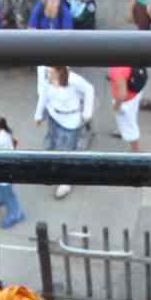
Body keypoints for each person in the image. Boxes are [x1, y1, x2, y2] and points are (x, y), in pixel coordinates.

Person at [35, 62, 95, 201]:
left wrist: (87, 112)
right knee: (51, 141)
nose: (47, 74)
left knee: (67, 150)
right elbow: (43, 95)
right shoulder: (48, 78)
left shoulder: (72, 79)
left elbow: (89, 89)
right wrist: (38, 114)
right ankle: (51, 165)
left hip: (70, 120)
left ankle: (66, 180)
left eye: (50, 71)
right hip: (54, 115)